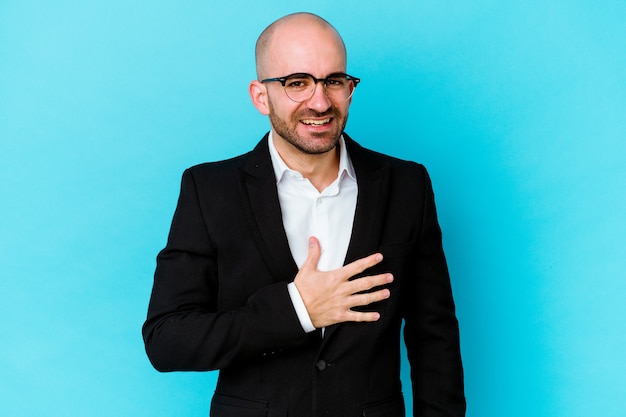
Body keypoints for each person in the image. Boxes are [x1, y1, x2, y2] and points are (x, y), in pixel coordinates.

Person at [143, 12, 466, 417]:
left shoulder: (407, 185)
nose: (320, 101)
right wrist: (298, 309)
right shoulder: (209, 190)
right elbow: (167, 339)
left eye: (334, 81)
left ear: (349, 88)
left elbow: (434, 339)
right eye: (297, 83)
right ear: (261, 96)